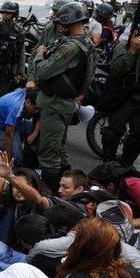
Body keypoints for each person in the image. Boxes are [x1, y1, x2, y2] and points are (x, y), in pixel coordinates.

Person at [33, 1, 95, 192]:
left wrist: (39, 55)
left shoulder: (70, 48)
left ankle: (49, 194)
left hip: (55, 103)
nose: (60, 27)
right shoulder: (86, 42)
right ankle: (67, 185)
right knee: (59, 148)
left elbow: (42, 72)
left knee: (49, 153)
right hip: (65, 102)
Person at [101, 20, 140, 166]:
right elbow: (116, 69)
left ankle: (125, 165)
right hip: (124, 96)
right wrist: (132, 51)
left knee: (137, 136)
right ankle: (108, 165)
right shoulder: (125, 46)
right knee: (113, 131)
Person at [0, 89, 40, 165]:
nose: (36, 112)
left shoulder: (26, 92)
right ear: (28, 102)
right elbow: (9, 134)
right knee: (16, 159)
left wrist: (34, 134)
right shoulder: (16, 107)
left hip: (7, 124)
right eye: (35, 109)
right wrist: (8, 160)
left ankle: (16, 146)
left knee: (30, 126)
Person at [26, 0, 72, 90]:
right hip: (43, 76)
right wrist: (31, 79)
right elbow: (36, 53)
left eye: (56, 12)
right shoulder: (49, 28)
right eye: (53, 11)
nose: (52, 15)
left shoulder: (73, 33)